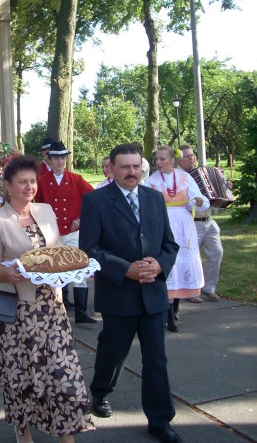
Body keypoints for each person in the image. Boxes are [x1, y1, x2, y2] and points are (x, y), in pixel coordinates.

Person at [0, 155, 95, 443]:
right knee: (21, 377)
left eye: (32, 181)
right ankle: (23, 431)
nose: (29, 187)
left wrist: (72, 270)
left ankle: (66, 435)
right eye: (22, 182)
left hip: (52, 309)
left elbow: (57, 255)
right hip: (16, 312)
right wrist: (9, 274)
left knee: (63, 374)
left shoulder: (46, 210)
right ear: (7, 185)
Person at [79, 143, 182, 443]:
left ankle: (160, 421)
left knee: (156, 360)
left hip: (153, 294)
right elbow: (90, 250)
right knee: (113, 351)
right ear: (111, 168)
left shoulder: (154, 198)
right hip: (118, 293)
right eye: (125, 167)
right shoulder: (95, 201)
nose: (132, 172)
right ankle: (100, 392)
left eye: (136, 166)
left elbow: (170, 245)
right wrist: (126, 269)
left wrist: (159, 265)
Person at [144, 146, 209, 331]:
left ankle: (176, 307)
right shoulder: (151, 182)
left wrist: (197, 202)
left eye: (162, 159)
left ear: (173, 160)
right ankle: (168, 313)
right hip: (163, 225)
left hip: (183, 226)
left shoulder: (184, 178)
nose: (158, 163)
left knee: (181, 266)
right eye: (156, 159)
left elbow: (200, 200)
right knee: (168, 265)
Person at [35, 141, 95, 323]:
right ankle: (55, 308)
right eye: (56, 158)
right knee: (53, 270)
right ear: (49, 160)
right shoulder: (42, 181)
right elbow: (35, 206)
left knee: (79, 269)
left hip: (72, 231)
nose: (60, 162)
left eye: (63, 158)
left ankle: (81, 312)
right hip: (51, 232)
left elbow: (93, 200)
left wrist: (80, 218)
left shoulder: (76, 179)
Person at [178, 144, 225, 302]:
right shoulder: (179, 178)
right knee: (191, 257)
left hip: (209, 221)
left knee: (217, 253)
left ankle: (209, 288)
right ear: (179, 160)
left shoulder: (203, 173)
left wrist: (225, 186)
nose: (191, 158)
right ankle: (191, 291)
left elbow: (217, 195)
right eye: (187, 156)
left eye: (192, 155)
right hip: (192, 222)